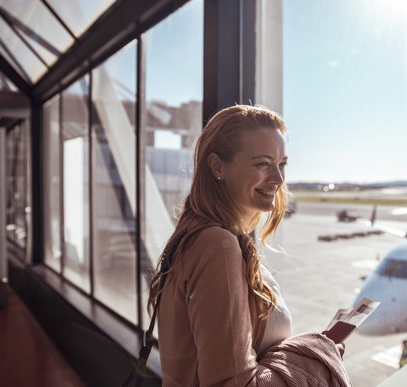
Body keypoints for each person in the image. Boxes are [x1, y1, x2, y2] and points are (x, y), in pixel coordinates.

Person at [148, 105, 350, 386]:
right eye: (262, 164)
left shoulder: (199, 237)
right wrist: (317, 356)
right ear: (218, 167)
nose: (278, 179)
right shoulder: (218, 246)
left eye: (282, 164)